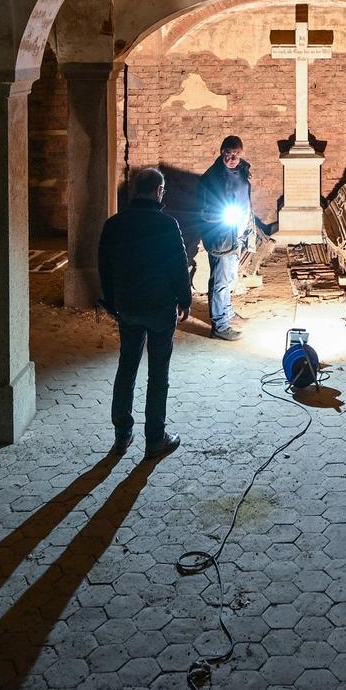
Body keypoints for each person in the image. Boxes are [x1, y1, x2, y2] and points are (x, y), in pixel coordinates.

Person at [96, 167, 190, 459]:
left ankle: (122, 434)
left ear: (136, 190)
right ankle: (155, 439)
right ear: (159, 191)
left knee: (127, 367)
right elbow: (178, 265)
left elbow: (104, 266)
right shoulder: (167, 224)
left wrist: (112, 303)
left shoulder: (114, 224)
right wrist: (185, 300)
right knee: (158, 373)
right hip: (160, 307)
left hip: (127, 306)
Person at [198, 135, 253, 341]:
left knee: (229, 276)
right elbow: (203, 210)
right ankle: (219, 325)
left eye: (236, 154)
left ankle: (227, 312)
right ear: (222, 153)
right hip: (222, 235)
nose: (232, 158)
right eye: (229, 154)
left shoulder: (242, 171)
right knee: (220, 280)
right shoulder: (211, 178)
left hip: (236, 233)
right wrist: (223, 220)